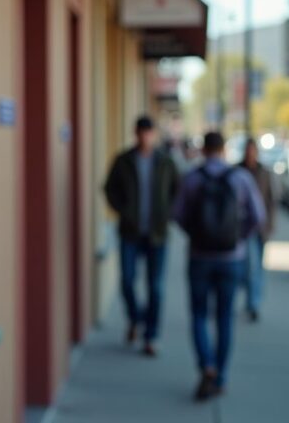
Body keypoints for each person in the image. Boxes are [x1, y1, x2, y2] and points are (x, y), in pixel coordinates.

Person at [173, 131, 265, 401]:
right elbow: (257, 217)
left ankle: (207, 366)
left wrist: (195, 235)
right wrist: (239, 238)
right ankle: (221, 376)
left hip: (199, 257)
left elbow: (177, 215)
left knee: (199, 315)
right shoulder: (240, 178)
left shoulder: (192, 179)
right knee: (225, 318)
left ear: (203, 149)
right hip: (231, 259)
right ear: (224, 149)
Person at [104, 116, 180, 357]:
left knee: (155, 287)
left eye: (148, 133)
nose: (144, 137)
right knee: (127, 281)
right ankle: (136, 318)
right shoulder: (124, 160)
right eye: (140, 133)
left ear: (154, 135)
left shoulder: (165, 162)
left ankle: (151, 335)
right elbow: (109, 188)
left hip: (157, 234)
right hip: (130, 232)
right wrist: (124, 211)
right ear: (135, 134)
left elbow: (178, 190)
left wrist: (168, 213)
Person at [239, 139, 276, 322]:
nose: (250, 154)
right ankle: (251, 302)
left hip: (261, 227)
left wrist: (270, 225)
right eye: (248, 150)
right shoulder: (237, 171)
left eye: (253, 151)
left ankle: (254, 303)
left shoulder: (264, 172)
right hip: (244, 228)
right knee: (250, 267)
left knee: (258, 267)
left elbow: (271, 200)